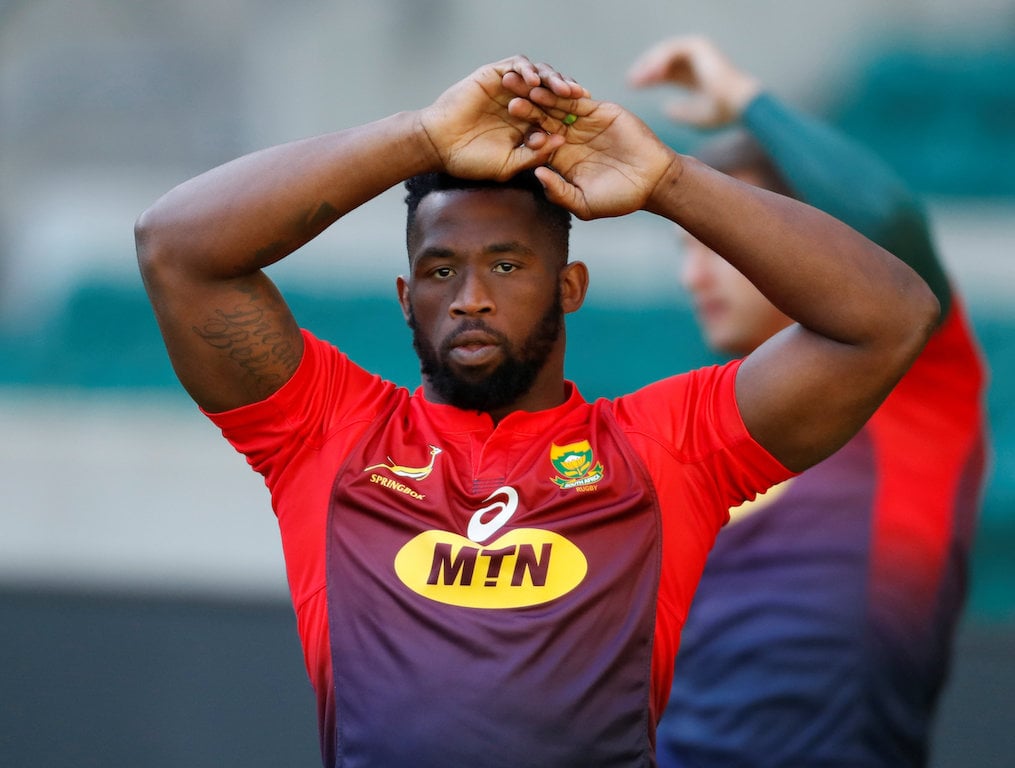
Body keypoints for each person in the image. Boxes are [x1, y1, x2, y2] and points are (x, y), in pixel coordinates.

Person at [135, 55, 938, 767]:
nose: (470, 298)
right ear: (404, 297)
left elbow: (890, 317)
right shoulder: (325, 431)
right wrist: (420, 136)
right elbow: (175, 246)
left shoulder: (666, 447)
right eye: (440, 271)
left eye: (507, 265)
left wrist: (667, 181)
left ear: (569, 287)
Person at [628, 36, 989, 768]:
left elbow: (887, 221)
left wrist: (743, 99)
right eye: (685, 250)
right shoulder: (701, 431)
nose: (694, 275)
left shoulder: (913, 380)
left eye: (718, 244)